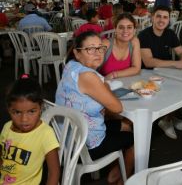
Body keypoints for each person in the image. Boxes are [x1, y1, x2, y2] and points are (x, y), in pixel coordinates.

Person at [55, 31, 134, 185]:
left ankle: (115, 168)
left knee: (126, 125)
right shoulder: (89, 76)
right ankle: (120, 179)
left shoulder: (70, 66)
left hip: (67, 135)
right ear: (77, 53)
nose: (98, 53)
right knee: (134, 138)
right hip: (86, 143)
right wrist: (104, 85)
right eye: (90, 49)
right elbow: (117, 107)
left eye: (100, 48)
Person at [138, 5, 182, 139]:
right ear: (152, 18)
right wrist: (175, 63)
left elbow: (181, 51)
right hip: (148, 74)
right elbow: (149, 62)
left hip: (167, 71)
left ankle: (170, 118)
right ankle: (165, 121)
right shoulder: (144, 35)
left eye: (165, 17)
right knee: (171, 88)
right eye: (159, 16)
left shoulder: (170, 33)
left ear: (169, 20)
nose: (162, 20)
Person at [0, 75, 60, 184]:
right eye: (17, 112)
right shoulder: (7, 127)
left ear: (41, 107)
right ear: (9, 110)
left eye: (31, 111)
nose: (24, 119)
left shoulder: (45, 134)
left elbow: (54, 172)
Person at [99, 13, 141, 79]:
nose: (125, 31)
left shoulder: (134, 42)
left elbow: (136, 69)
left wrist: (113, 75)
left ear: (134, 30)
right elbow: (89, 69)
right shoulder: (106, 44)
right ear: (115, 29)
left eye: (129, 27)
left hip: (125, 85)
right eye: (121, 27)